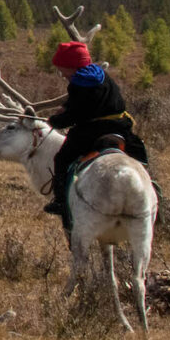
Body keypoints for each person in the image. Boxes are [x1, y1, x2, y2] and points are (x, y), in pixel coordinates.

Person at [45, 40, 150, 227]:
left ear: (72, 66)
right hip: (119, 127)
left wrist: (55, 120)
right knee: (139, 155)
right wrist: (66, 108)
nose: (62, 74)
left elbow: (78, 114)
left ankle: (60, 201)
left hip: (92, 131)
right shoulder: (101, 75)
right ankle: (153, 195)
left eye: (63, 69)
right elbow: (89, 103)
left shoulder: (78, 83)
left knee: (62, 159)